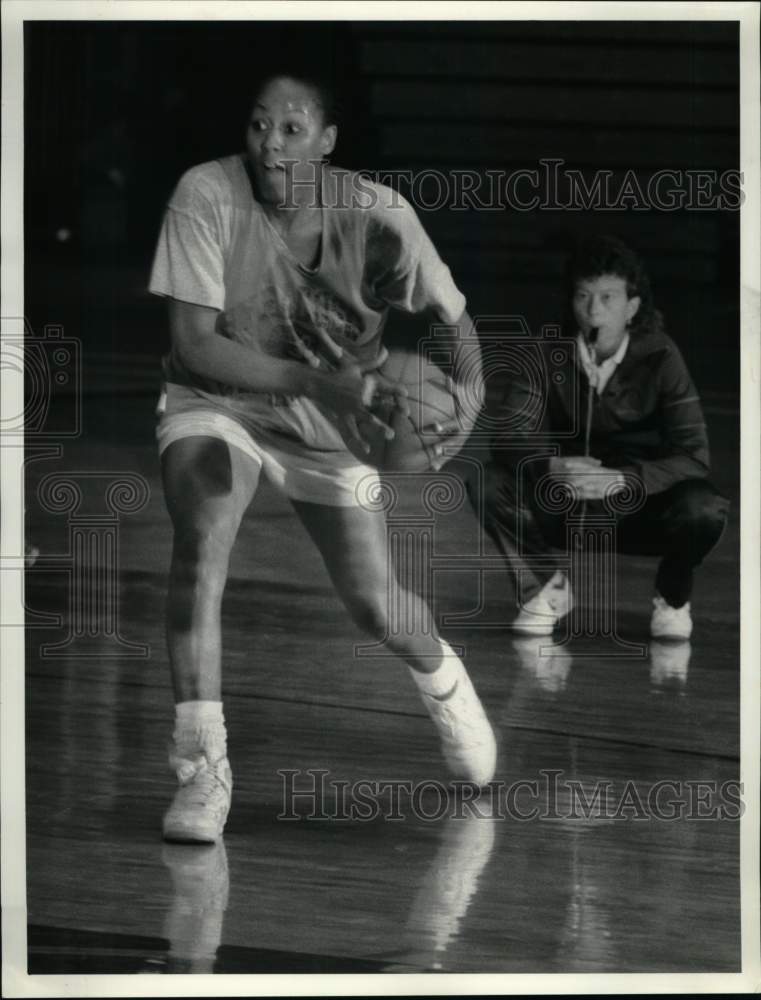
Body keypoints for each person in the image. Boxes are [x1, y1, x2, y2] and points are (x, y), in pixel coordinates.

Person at [148, 72, 496, 843]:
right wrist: (322, 381)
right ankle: (202, 768)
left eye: (291, 129)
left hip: (332, 424)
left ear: (328, 141)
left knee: (375, 604)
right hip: (219, 400)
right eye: (258, 124)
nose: (269, 145)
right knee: (201, 540)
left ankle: (443, 680)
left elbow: (454, 318)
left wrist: (465, 407)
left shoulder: (377, 217)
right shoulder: (205, 195)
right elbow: (196, 345)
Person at [471, 234, 729, 639]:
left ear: (632, 308)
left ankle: (672, 594)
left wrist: (625, 479)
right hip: (564, 504)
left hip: (636, 510)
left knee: (705, 508)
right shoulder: (543, 352)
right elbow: (506, 437)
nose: (594, 311)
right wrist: (550, 465)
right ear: (571, 302)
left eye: (608, 298)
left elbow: (694, 457)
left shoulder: (662, 357)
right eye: (583, 297)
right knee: (486, 481)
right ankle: (546, 589)